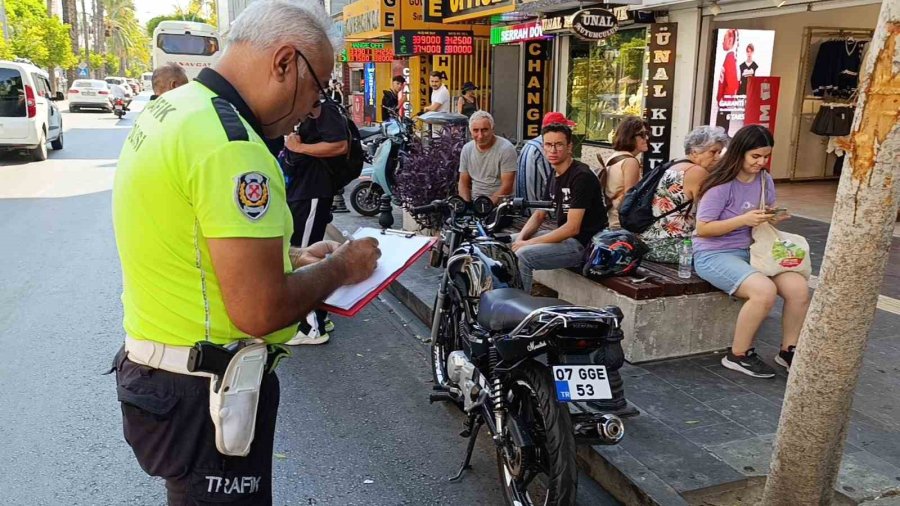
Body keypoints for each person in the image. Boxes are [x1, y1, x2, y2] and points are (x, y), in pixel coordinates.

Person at [110, 2, 380, 504]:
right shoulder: (233, 145)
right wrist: (341, 265)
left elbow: (193, 241)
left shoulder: (175, 109)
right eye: (318, 88)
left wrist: (294, 260)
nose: (312, 110)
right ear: (284, 63)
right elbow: (259, 310)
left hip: (160, 375)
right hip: (205, 392)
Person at [693, 125, 809, 378]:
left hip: (757, 249)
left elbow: (766, 211)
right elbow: (703, 228)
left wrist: (773, 216)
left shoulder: (764, 180)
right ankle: (739, 354)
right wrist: (743, 220)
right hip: (715, 254)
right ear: (739, 153)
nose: (761, 162)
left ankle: (789, 350)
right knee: (764, 291)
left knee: (799, 289)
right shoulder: (721, 185)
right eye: (755, 156)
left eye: (765, 156)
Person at [282, 97, 349, 345]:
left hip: (312, 192)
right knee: (305, 252)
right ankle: (320, 315)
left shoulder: (324, 108)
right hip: (304, 192)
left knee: (304, 258)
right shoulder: (309, 111)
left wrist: (299, 148)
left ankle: (312, 327)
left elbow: (339, 145)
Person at [512, 123, 608, 293]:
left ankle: (518, 309)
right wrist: (520, 238)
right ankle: (501, 297)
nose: (553, 150)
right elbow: (540, 214)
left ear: (569, 147)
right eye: (548, 145)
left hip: (584, 245)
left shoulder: (581, 176)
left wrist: (526, 243)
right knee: (505, 242)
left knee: (524, 255)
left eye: (558, 144)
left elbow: (572, 228)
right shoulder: (555, 172)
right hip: (565, 238)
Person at [641, 126, 729, 263]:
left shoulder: (674, 164)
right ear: (695, 152)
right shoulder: (697, 172)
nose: (718, 157)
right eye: (713, 152)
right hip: (674, 245)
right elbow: (709, 214)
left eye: (720, 152)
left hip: (650, 241)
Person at [458, 110, 517, 204]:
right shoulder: (467, 149)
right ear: (470, 132)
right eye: (476, 130)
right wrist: (465, 205)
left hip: (501, 205)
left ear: (492, 129)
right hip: (475, 202)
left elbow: (507, 186)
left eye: (484, 130)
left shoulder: (506, 149)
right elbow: (463, 182)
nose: (480, 136)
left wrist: (486, 208)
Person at [515, 111, 574, 203]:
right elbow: (554, 188)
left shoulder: (529, 144)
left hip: (524, 207)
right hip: (539, 209)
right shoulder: (543, 149)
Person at [603, 116, 648, 228]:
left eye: (646, 134)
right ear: (630, 137)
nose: (646, 138)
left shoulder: (615, 157)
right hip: (621, 224)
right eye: (641, 135)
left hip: (612, 219)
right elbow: (630, 199)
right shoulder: (630, 162)